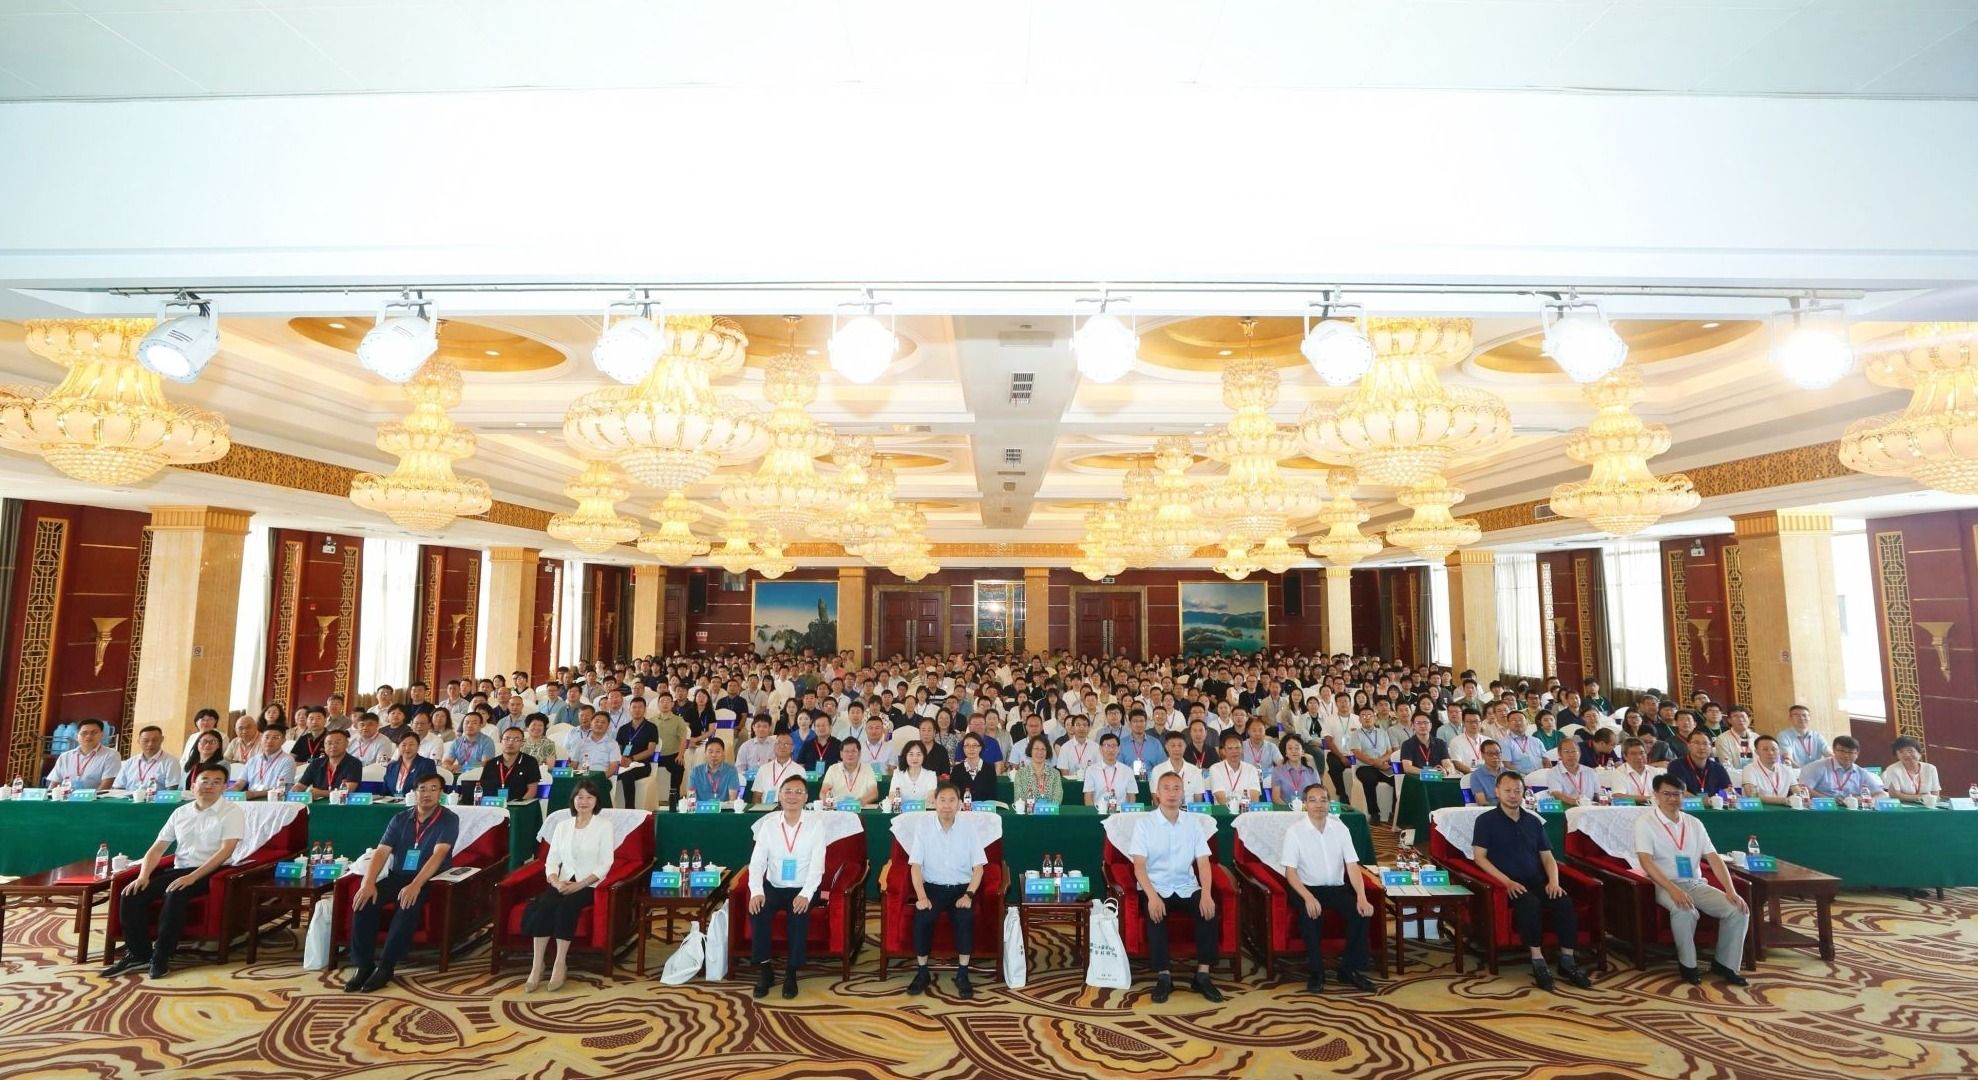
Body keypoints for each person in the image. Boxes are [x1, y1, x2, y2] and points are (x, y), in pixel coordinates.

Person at [100, 762, 244, 979]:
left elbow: (227, 850)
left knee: (175, 893)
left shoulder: (232, 812)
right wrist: (143, 876)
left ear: (224, 787)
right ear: (193, 785)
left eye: (216, 782)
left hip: (213, 871)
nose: (209, 786)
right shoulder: (181, 812)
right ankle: (139, 954)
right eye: (204, 781)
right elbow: (158, 848)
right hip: (180, 869)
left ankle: (161, 955)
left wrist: (193, 877)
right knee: (132, 893)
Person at [1469, 771, 1595, 991]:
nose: (1513, 795)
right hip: (1508, 884)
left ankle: (1568, 960)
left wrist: (1554, 882)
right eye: (1507, 791)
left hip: (1537, 881)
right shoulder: (1486, 821)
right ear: (1497, 792)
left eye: (1517, 791)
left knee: (1564, 902)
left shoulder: (1533, 821)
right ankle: (1538, 960)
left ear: (1524, 792)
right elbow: (1479, 857)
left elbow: (1547, 857)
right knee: (1529, 904)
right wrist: (1506, 882)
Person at [344, 772, 460, 993]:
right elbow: (381, 852)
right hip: (398, 875)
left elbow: (439, 854)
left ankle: (386, 966)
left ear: (441, 793)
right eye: (422, 789)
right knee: (364, 902)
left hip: (430, 879)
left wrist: (416, 884)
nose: (427, 794)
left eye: (433, 789)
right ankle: (363, 965)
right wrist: (368, 883)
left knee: (407, 905)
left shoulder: (449, 819)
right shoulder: (400, 819)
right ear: (414, 792)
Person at [1633, 774, 1750, 986]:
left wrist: (1730, 890)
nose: (1672, 799)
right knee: (1685, 910)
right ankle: (1688, 966)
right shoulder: (1646, 823)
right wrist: (1673, 890)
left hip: (1695, 883)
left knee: (1738, 909)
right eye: (1666, 794)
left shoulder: (1694, 823)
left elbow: (1713, 858)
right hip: (1662, 883)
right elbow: (1646, 861)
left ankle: (1726, 965)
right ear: (1656, 795)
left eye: (1677, 794)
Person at [1127, 772, 1223, 1003]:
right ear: (1157, 794)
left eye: (1176, 788)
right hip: (1156, 886)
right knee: (1155, 915)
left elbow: (1203, 863)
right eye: (1166, 788)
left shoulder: (1193, 823)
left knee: (1209, 911)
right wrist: (1152, 897)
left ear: (1183, 793)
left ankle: (1202, 975)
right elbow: (1139, 867)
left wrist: (1206, 893)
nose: (1172, 793)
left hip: (1186, 886)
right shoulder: (1144, 824)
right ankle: (1164, 976)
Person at [1279, 782, 1377, 994]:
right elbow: (1290, 873)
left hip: (1335, 888)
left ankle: (1349, 969)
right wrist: (1307, 897)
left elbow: (1352, 865)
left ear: (1329, 803)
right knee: (1311, 915)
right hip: (1306, 888)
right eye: (1312, 800)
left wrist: (1361, 896)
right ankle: (1316, 972)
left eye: (1323, 800)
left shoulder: (1340, 829)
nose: (1318, 805)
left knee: (1360, 913)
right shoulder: (1295, 832)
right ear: (1305, 804)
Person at [521, 778, 612, 992]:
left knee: (566, 907)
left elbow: (606, 863)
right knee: (544, 905)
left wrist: (580, 884)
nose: (584, 802)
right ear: (573, 800)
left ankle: (559, 963)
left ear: (596, 801)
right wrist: (554, 880)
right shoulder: (562, 826)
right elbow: (552, 859)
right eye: (580, 797)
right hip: (562, 881)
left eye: (589, 797)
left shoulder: (604, 826)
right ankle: (537, 965)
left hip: (589, 884)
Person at [906, 781, 989, 998]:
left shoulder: (968, 828)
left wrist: (969, 895)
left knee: (964, 918)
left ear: (959, 804)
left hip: (961, 889)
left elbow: (979, 868)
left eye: (952, 800)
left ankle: (962, 974)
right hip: (932, 889)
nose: (947, 805)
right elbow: (915, 866)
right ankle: (922, 972)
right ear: (934, 802)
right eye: (942, 800)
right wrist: (921, 897)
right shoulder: (923, 827)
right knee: (922, 917)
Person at [747, 774, 826, 999]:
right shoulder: (769, 825)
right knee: (758, 910)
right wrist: (756, 892)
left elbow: (817, 866)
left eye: (798, 792)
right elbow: (757, 862)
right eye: (788, 791)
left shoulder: (815, 825)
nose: (793, 796)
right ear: (779, 796)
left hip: (804, 886)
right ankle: (765, 970)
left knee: (798, 914)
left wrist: (806, 894)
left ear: (806, 797)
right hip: (774, 886)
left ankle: (791, 972)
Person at [1795, 735, 1887, 799]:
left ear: (1857, 754)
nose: (1846, 755)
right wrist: (1830, 800)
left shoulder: (1861, 773)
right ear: (1834, 751)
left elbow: (1881, 794)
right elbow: (1803, 789)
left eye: (1850, 752)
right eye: (1842, 751)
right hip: (1821, 810)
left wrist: (1865, 800)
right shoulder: (1815, 767)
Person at [46, 717, 121, 790]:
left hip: (95, 798)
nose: (88, 736)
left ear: (102, 735)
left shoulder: (111, 755)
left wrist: (90, 797)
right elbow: (54, 784)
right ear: (76, 736)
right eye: (84, 733)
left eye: (94, 733)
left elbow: (106, 785)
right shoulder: (64, 757)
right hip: (65, 797)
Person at [613, 697, 660, 809]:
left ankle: (630, 809)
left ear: (645, 710)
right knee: (607, 774)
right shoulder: (623, 729)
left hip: (642, 765)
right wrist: (621, 760)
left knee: (627, 775)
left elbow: (650, 751)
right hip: (624, 764)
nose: (637, 710)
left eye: (640, 707)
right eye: (634, 707)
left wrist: (632, 759)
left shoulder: (651, 727)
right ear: (629, 709)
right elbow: (617, 749)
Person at [479, 727, 543, 801]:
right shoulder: (491, 764)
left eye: (516, 740)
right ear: (501, 741)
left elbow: (532, 791)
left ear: (522, 743)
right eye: (507, 739)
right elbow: (484, 790)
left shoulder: (530, 762)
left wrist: (517, 805)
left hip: (520, 805)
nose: (510, 743)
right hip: (495, 805)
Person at [114, 725, 185, 791]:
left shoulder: (171, 762)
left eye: (155, 740)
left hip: (155, 800)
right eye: (146, 741)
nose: (150, 744)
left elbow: (171, 790)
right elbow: (118, 787)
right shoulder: (130, 762)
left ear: (162, 739)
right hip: (128, 799)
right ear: (139, 741)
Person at [298, 729, 364, 798]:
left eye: (337, 743)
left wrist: (320, 793)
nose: (333, 746)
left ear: (346, 744)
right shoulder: (315, 763)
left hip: (343, 803)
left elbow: (348, 790)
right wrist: (294, 792)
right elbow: (300, 786)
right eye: (329, 743)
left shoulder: (354, 763)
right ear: (324, 745)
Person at [1739, 735, 1803, 805]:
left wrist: (1801, 796)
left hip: (1783, 808)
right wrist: (1783, 800)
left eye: (1774, 749)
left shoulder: (1787, 769)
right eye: (1765, 749)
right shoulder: (1749, 769)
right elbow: (1751, 795)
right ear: (1756, 752)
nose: (1770, 753)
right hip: (1759, 808)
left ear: (1779, 751)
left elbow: (1797, 791)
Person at [1666, 730, 1733, 797]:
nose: (1701, 747)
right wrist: (1701, 801)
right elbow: (1678, 791)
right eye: (1696, 743)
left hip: (1713, 802)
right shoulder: (1676, 766)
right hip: (1688, 803)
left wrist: (1717, 798)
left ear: (1711, 748)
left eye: (1705, 744)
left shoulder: (1718, 768)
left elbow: (1728, 789)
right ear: (1688, 746)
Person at [1535, 738, 1598, 807]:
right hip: (1566, 809)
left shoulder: (1590, 772)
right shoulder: (1553, 772)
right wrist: (1576, 802)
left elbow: (1598, 794)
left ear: (1579, 753)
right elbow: (1557, 794)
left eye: (1574, 751)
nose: (1571, 755)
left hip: (1589, 808)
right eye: (1566, 751)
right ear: (1560, 754)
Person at [1149, 730, 1210, 801]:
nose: (1177, 749)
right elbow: (1156, 799)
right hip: (1166, 807)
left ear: (1185, 747)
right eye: (1173, 746)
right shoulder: (1157, 770)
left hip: (1188, 807)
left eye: (1180, 745)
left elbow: (1198, 800)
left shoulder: (1195, 771)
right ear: (1166, 747)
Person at [1083, 732, 1139, 808]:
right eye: (1107, 746)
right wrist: (1093, 813)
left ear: (1118, 749)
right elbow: (1088, 796)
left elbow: (1131, 797)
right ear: (1100, 749)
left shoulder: (1128, 771)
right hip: (1099, 811)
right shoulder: (1091, 770)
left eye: (1114, 746)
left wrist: (1127, 813)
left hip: (1121, 812)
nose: (1111, 750)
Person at [819, 738, 879, 806]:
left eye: (853, 751)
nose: (850, 754)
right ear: (841, 754)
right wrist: (826, 801)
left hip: (860, 808)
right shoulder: (833, 769)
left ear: (859, 753)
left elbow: (874, 793)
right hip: (838, 809)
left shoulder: (867, 769)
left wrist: (859, 802)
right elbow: (823, 792)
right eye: (846, 751)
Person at [1208, 731, 1264, 803]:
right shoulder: (1215, 769)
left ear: (1242, 749)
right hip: (1224, 809)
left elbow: (1254, 796)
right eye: (1230, 748)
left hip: (1247, 809)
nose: (1234, 751)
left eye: (1237, 748)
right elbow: (1220, 797)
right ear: (1224, 751)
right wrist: (1234, 808)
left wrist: (1244, 808)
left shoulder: (1251, 769)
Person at [1881, 736, 1941, 802]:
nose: (1907, 755)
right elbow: (1895, 795)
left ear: (1919, 753)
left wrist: (1927, 799)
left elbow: (1935, 795)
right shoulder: (1892, 769)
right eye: (1901, 752)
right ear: (1897, 756)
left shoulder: (1931, 769)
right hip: (1904, 806)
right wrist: (1921, 797)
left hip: (1927, 805)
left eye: (1910, 751)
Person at [750, 733, 806, 805]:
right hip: (766, 809)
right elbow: (756, 796)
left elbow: (802, 797)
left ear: (792, 748)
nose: (782, 746)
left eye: (786, 744)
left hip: (789, 808)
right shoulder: (763, 769)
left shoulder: (799, 770)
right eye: (778, 743)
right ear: (774, 747)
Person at [685, 736, 743, 803]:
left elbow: (732, 799)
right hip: (702, 809)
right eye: (710, 752)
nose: (714, 755)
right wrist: (692, 803)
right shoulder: (695, 772)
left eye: (718, 752)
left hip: (724, 809)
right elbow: (691, 798)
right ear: (705, 754)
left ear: (723, 753)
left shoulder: (731, 771)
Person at [1603, 738, 1662, 802]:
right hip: (1630, 808)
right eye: (1633, 754)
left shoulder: (1656, 772)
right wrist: (1649, 798)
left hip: (1654, 807)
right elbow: (1618, 796)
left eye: (1642, 753)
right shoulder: (1619, 772)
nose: (1639, 757)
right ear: (1625, 756)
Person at [383, 732, 439, 797]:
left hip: (416, 801)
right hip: (392, 802)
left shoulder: (427, 764)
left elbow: (431, 789)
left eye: (411, 744)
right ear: (398, 747)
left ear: (418, 746)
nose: (407, 748)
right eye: (403, 745)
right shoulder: (391, 766)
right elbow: (385, 792)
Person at [566, 710, 623, 776]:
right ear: (591, 724)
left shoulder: (613, 744)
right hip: (580, 777)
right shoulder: (580, 742)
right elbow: (574, 764)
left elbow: (613, 767)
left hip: (600, 777)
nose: (599, 724)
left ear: (608, 726)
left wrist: (600, 778)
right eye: (596, 721)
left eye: (603, 722)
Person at [1272, 734, 1323, 806]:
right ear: (1286, 753)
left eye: (1297, 748)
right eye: (1290, 748)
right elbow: (1276, 798)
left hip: (1307, 810)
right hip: (1285, 810)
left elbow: (1318, 795)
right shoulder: (1277, 771)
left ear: (1303, 752)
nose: (1293, 751)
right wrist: (1291, 810)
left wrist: (1305, 808)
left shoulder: (1312, 772)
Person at [1012, 734, 1064, 804]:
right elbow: (1019, 800)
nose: (1040, 752)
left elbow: (1057, 799)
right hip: (1028, 811)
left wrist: (1043, 808)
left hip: (1049, 811)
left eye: (1043, 749)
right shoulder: (1020, 774)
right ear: (1030, 750)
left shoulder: (1055, 774)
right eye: (1036, 748)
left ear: (1047, 752)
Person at [951, 733, 998, 804]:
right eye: (967, 745)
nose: (971, 749)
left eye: (975, 745)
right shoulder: (957, 770)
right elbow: (953, 794)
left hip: (983, 809)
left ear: (980, 748)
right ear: (963, 748)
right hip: (963, 809)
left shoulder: (989, 769)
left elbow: (992, 795)